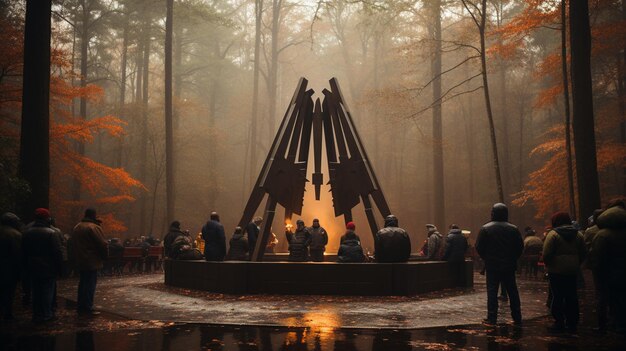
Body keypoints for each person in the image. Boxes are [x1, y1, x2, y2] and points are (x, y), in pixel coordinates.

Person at [475, 203, 523, 326]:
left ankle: (492, 318)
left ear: (493, 213)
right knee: (512, 291)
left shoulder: (485, 228)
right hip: (509, 265)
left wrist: (487, 258)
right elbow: (520, 247)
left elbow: (479, 247)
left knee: (492, 291)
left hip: (492, 265)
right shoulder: (514, 229)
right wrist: (512, 258)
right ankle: (517, 316)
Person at [543, 211, 586, 333]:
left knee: (557, 296)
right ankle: (572, 323)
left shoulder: (553, 235)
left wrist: (549, 264)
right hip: (572, 270)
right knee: (572, 296)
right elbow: (583, 252)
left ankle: (559, 322)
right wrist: (576, 263)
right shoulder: (578, 235)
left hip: (556, 271)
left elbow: (547, 254)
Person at [22, 208, 63, 322]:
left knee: (35, 291)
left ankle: (36, 314)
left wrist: (24, 267)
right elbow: (57, 252)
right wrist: (60, 268)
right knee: (47, 290)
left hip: (32, 266)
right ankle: (47, 314)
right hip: (48, 267)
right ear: (47, 218)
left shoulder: (26, 232)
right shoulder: (51, 233)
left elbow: (23, 251)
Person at [592, 199, 626, 334]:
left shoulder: (602, 235)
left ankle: (606, 325)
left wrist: (597, 273)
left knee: (609, 298)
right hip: (622, 271)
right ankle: (620, 324)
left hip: (608, 273)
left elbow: (597, 258)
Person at [72, 208, 108, 315]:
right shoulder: (93, 227)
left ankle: (81, 306)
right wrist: (104, 257)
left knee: (82, 283)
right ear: (94, 215)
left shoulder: (77, 227)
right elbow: (102, 244)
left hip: (80, 259)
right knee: (90, 284)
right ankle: (88, 307)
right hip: (92, 260)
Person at [0, 212, 22, 321]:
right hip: (9, 269)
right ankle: (7, 314)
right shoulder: (15, 234)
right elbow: (18, 254)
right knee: (9, 292)